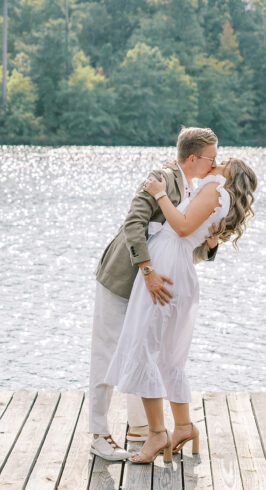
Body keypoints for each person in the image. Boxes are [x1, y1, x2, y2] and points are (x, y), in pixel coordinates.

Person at [104, 157, 257, 464]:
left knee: (144, 348)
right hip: (178, 263)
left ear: (230, 174)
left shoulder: (215, 188)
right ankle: (183, 427)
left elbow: (184, 227)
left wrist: (160, 193)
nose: (218, 161)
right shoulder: (217, 193)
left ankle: (158, 433)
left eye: (224, 160)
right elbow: (196, 229)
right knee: (169, 356)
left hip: (168, 263)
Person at [89, 126, 221, 461]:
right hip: (125, 277)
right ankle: (99, 433)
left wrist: (211, 246)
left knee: (143, 349)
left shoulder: (199, 190)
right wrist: (147, 271)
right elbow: (133, 223)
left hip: (154, 288)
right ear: (192, 158)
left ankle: (140, 429)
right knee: (108, 352)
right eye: (211, 158)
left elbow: (182, 244)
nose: (215, 164)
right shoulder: (159, 178)